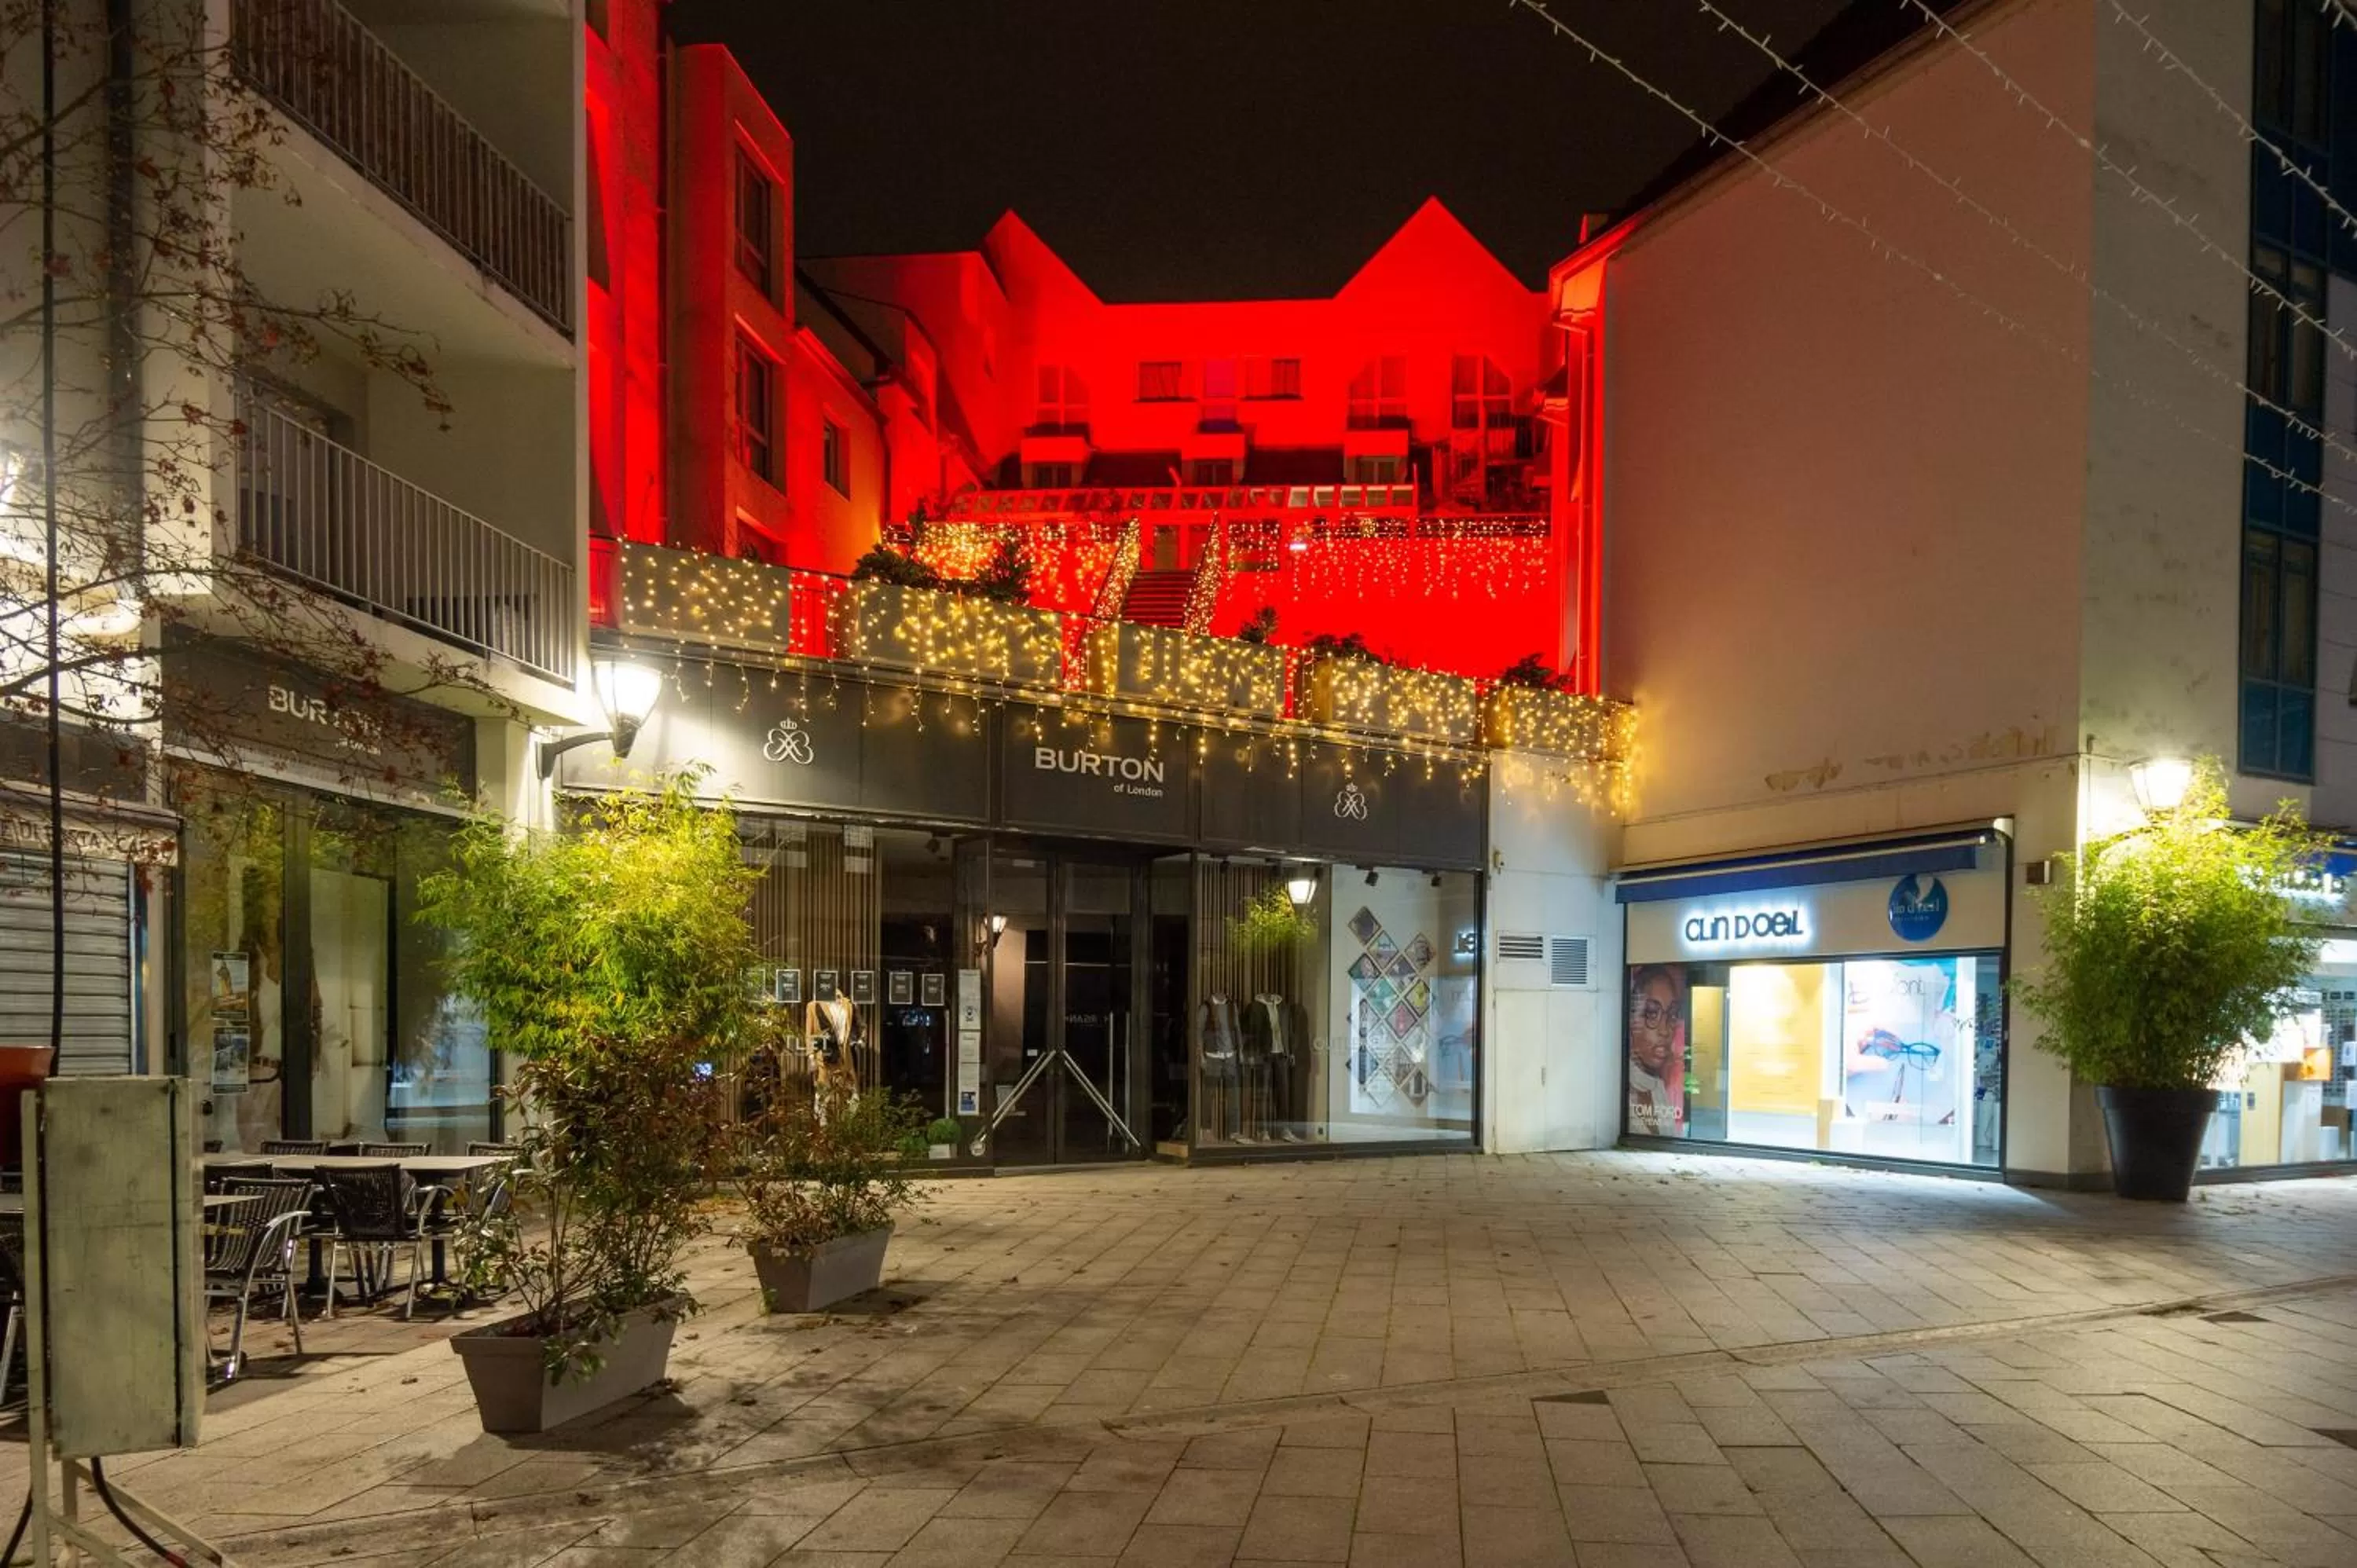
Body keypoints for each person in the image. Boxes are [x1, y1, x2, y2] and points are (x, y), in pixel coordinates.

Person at [1627, 965, 1687, 1136]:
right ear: (1631, 1020)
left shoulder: (1659, 1089)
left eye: (1672, 1015)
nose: (1665, 1030)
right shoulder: (1617, 1085)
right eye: (1652, 1014)